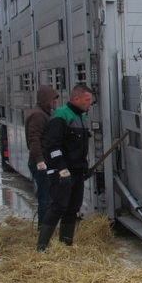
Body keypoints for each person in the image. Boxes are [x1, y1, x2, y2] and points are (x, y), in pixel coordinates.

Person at [36, 84, 94, 252]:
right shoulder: (61, 115)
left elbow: (80, 147)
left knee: (73, 208)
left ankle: (65, 245)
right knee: (58, 206)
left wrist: (84, 168)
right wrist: (62, 168)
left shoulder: (82, 117)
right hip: (62, 172)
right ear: (76, 99)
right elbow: (52, 145)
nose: (89, 104)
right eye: (87, 100)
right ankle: (41, 247)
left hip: (77, 171)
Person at [25, 85, 58, 230]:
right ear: (46, 100)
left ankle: (45, 228)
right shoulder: (38, 115)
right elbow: (34, 139)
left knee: (47, 195)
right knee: (46, 197)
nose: (55, 102)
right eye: (53, 99)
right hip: (40, 162)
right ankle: (43, 229)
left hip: (43, 161)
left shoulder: (42, 113)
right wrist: (40, 161)